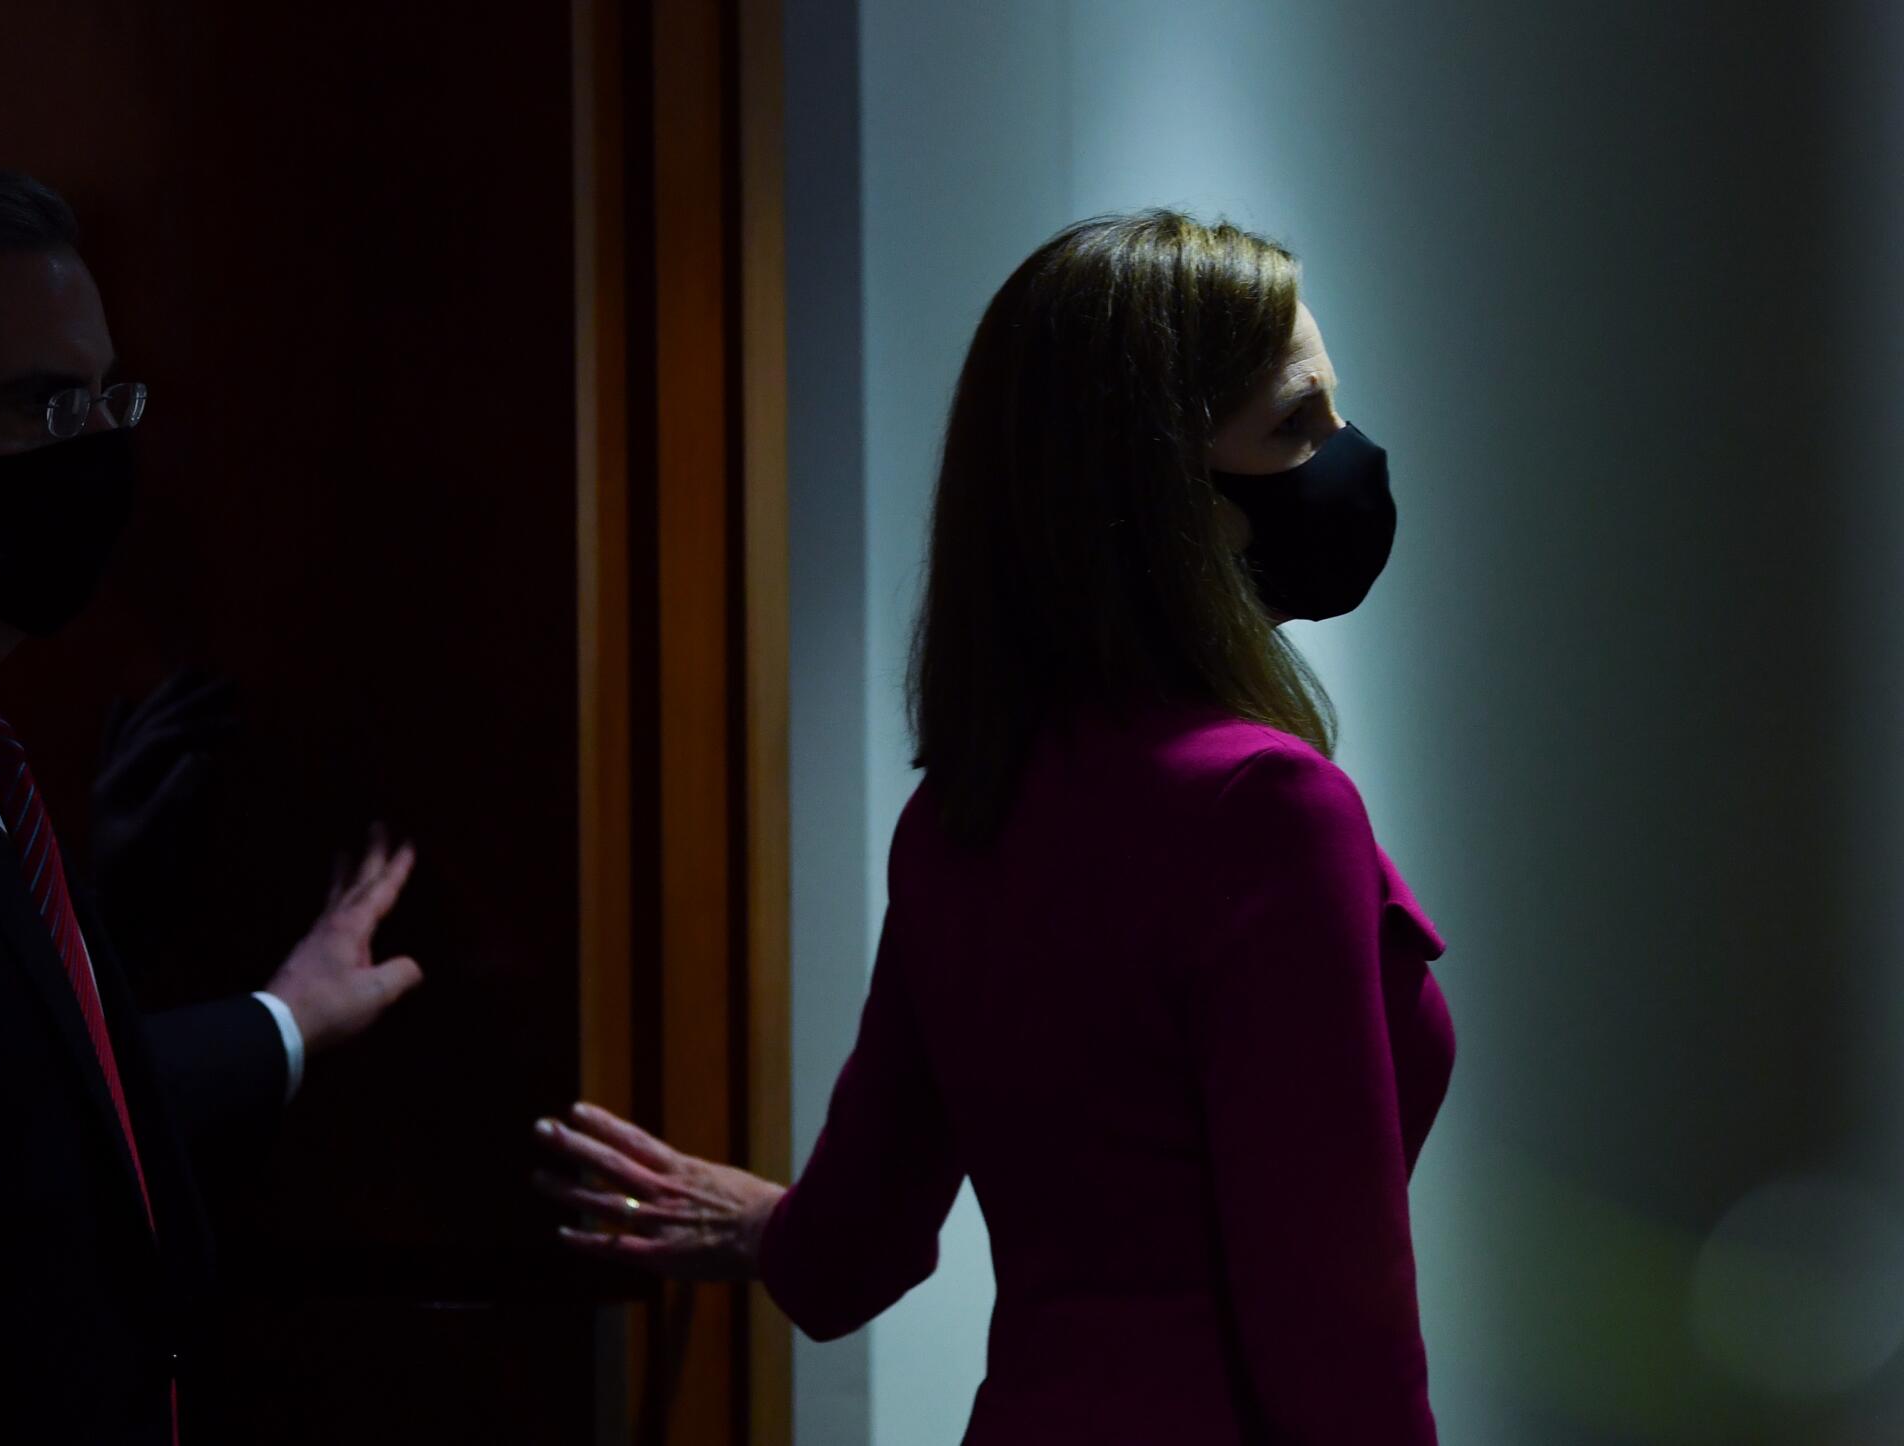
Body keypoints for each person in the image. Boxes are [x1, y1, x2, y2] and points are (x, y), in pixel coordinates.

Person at [533, 210, 1454, 1442]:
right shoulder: (1269, 812)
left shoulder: (961, 810)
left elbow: (851, 1251)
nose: (1343, 458)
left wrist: (770, 1230)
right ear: (1155, 493)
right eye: (1293, 423)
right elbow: (1331, 1319)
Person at [0, 165, 425, 1443]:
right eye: (33, 405)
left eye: (101, 400)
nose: (88, 453)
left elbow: (38, 1110)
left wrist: (285, 1016)